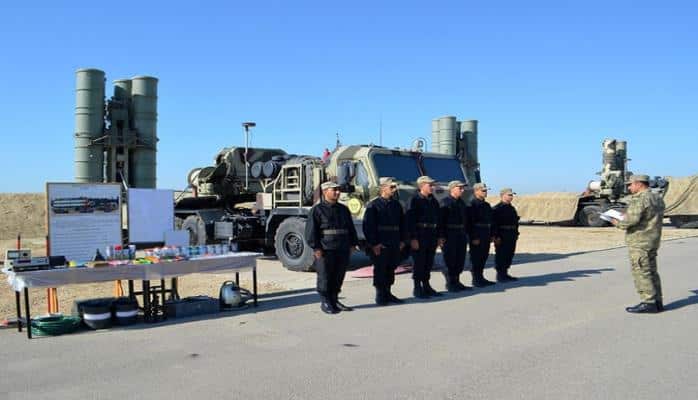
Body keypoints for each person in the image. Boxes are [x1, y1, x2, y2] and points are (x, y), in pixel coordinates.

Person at [610, 174, 665, 314]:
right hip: (652, 240)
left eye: (631, 184)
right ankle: (657, 301)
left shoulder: (640, 199)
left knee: (641, 271)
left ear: (639, 184)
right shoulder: (657, 198)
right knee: (652, 271)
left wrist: (616, 222)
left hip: (640, 241)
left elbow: (631, 221)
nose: (629, 187)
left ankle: (648, 302)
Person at [305, 181, 359, 314]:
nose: (337, 192)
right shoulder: (317, 210)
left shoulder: (343, 209)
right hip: (325, 249)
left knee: (338, 275)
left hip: (342, 247)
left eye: (338, 190)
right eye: (334, 190)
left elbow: (350, 228)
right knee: (325, 276)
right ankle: (325, 301)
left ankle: (334, 299)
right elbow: (311, 231)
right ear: (325, 192)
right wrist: (316, 248)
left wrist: (353, 244)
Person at [362, 177, 406, 305]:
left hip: (394, 240)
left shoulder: (396, 205)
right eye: (391, 187)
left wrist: (402, 240)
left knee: (391, 268)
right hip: (381, 242)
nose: (394, 189)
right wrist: (374, 243)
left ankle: (388, 292)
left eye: (395, 187)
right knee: (380, 268)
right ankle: (380, 295)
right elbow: (368, 226)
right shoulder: (374, 205)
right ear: (383, 188)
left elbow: (402, 223)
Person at [439, 180, 471, 292]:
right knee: (449, 259)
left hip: (460, 234)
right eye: (460, 188)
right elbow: (441, 221)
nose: (462, 190)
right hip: (449, 234)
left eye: (463, 188)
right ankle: (450, 283)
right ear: (452, 189)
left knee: (460, 258)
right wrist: (441, 236)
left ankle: (457, 281)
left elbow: (465, 220)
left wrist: (466, 234)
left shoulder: (462, 203)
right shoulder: (445, 202)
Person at [467, 182, 496, 287]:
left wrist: (492, 234)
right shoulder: (472, 204)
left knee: (484, 256)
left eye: (486, 190)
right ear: (476, 191)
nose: (485, 192)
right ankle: (476, 279)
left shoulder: (487, 205)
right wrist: (473, 237)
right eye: (483, 190)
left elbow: (491, 221)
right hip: (477, 233)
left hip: (486, 233)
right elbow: (470, 223)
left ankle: (481, 277)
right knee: (476, 257)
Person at [492, 188, 520, 282]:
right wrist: (496, 236)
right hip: (502, 234)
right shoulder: (497, 208)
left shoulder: (511, 208)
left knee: (509, 254)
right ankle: (500, 275)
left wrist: (516, 233)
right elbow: (494, 224)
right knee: (501, 255)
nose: (511, 197)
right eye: (509, 195)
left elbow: (515, 222)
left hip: (511, 234)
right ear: (503, 195)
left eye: (512, 195)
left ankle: (505, 273)